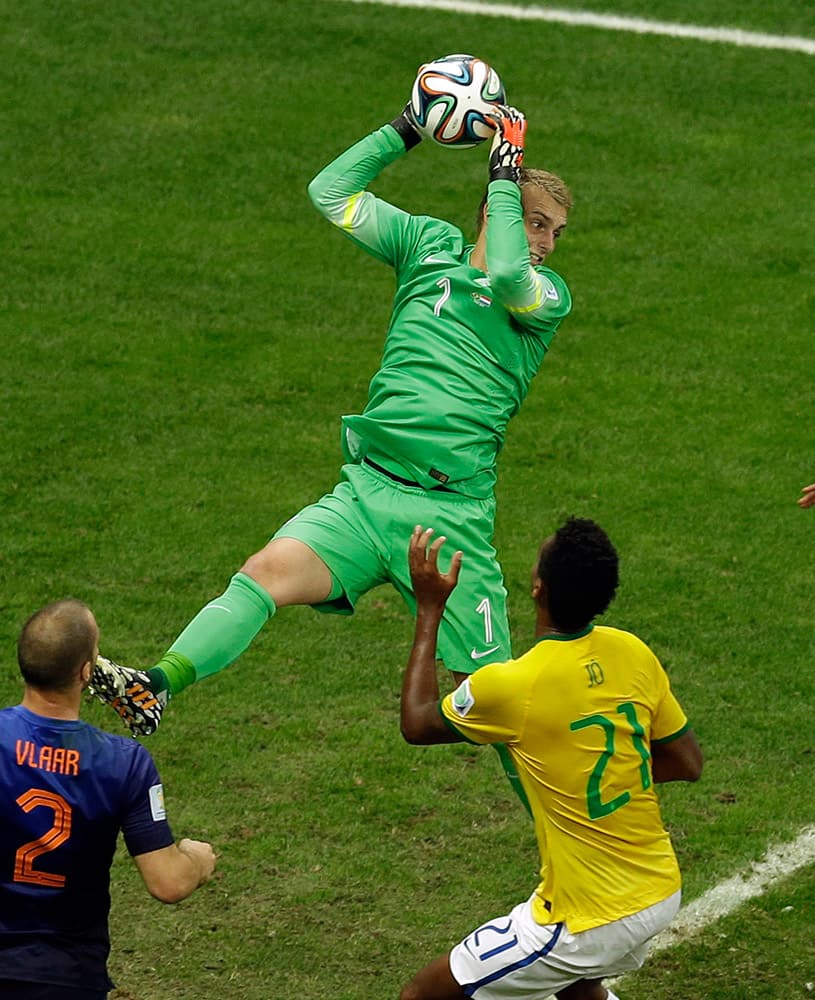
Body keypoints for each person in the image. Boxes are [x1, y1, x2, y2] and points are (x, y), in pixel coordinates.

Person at [89, 95, 572, 802]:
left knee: (495, 700)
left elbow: (503, 274)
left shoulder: (542, 298)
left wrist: (506, 168)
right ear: (492, 211)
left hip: (449, 521)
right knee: (263, 573)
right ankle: (158, 685)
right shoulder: (424, 248)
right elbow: (331, 191)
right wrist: (409, 126)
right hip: (365, 495)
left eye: (556, 231)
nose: (545, 241)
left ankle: (571, 847)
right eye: (535, 222)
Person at [399, 519, 703, 1000]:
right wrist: (599, 777)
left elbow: (417, 722)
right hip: (659, 887)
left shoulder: (513, 685)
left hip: (587, 914)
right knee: (575, 989)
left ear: (538, 587)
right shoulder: (632, 652)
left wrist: (429, 607)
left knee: (424, 995)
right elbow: (687, 762)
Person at [0, 599, 216, 999]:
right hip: (63, 977)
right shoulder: (123, 763)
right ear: (86, 672)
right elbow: (168, 882)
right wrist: (197, 860)